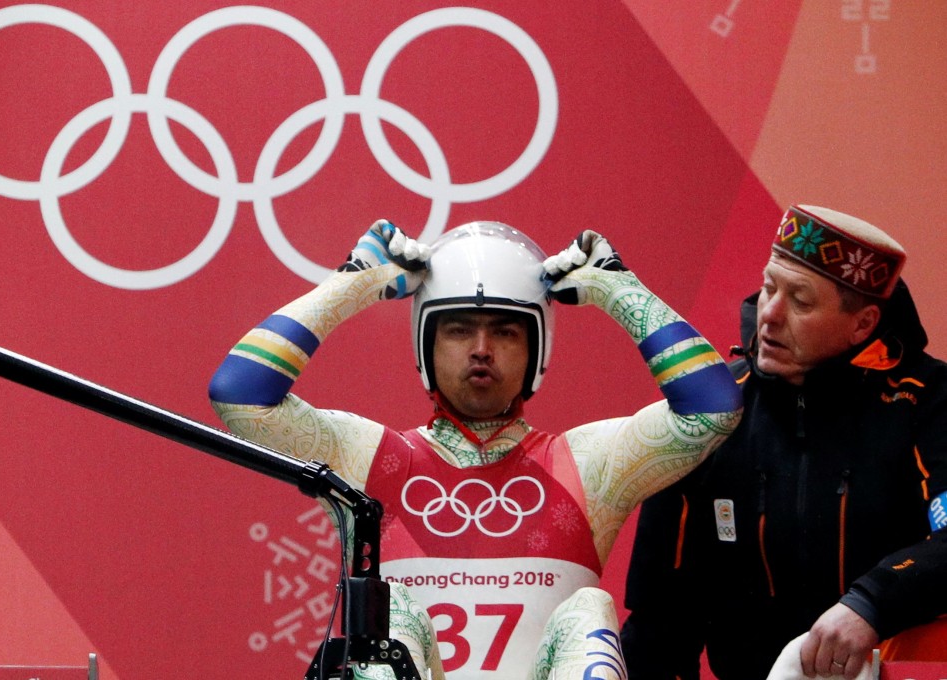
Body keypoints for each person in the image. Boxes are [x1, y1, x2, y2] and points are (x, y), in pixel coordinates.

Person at [209, 219, 743, 679]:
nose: (481, 350)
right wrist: (352, 285)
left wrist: (620, 292)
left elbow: (713, 409)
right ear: (425, 344)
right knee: (388, 618)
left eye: (506, 333)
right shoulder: (366, 459)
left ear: (539, 349)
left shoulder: (589, 464)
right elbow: (240, 394)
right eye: (459, 329)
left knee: (589, 610)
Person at [620, 205, 947, 680]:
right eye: (770, 286)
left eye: (801, 301)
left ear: (863, 323)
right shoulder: (709, 414)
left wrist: (871, 604)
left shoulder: (930, 401)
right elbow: (661, 618)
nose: (768, 314)